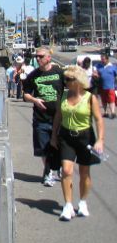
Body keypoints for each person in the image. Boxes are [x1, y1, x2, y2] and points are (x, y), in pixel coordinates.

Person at [50, 64, 106, 220]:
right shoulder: (64, 95)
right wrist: (54, 136)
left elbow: (98, 120)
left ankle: (82, 202)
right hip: (67, 136)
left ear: (78, 80)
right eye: (65, 79)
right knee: (66, 171)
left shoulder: (90, 98)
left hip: (85, 137)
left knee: (84, 173)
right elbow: (58, 117)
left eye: (69, 79)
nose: (65, 81)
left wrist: (100, 140)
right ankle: (68, 206)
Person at [22, 46, 65, 186]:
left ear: (48, 57)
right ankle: (48, 172)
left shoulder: (59, 72)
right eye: (36, 57)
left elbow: (71, 88)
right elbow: (26, 94)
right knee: (44, 148)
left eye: (41, 56)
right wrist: (35, 100)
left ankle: (58, 167)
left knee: (60, 145)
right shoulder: (33, 75)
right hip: (41, 117)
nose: (38, 59)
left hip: (59, 117)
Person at [93, 51, 117, 119]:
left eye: (103, 59)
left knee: (111, 100)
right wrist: (95, 74)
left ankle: (112, 112)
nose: (102, 61)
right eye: (101, 59)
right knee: (104, 100)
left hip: (110, 87)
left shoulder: (113, 67)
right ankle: (105, 112)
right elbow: (94, 71)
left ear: (107, 59)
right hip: (102, 86)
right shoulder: (99, 66)